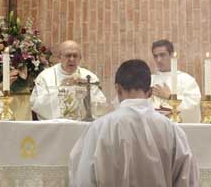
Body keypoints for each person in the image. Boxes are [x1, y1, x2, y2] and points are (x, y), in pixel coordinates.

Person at [68, 59, 199, 186]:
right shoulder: (171, 129)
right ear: (150, 92)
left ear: (118, 89)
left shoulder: (99, 128)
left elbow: (83, 178)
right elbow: (187, 179)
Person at [30, 40, 107, 120]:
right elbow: (36, 105)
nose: (72, 59)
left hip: (82, 127)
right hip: (54, 128)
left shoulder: (89, 77)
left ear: (80, 58)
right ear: (59, 57)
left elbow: (101, 107)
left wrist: (87, 92)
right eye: (68, 55)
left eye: (75, 56)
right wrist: (61, 88)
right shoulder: (45, 77)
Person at [149, 40, 202, 122]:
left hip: (181, 128)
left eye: (162, 55)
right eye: (155, 56)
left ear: (171, 55)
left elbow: (193, 104)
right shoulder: (149, 80)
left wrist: (170, 97)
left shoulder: (186, 79)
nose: (158, 59)